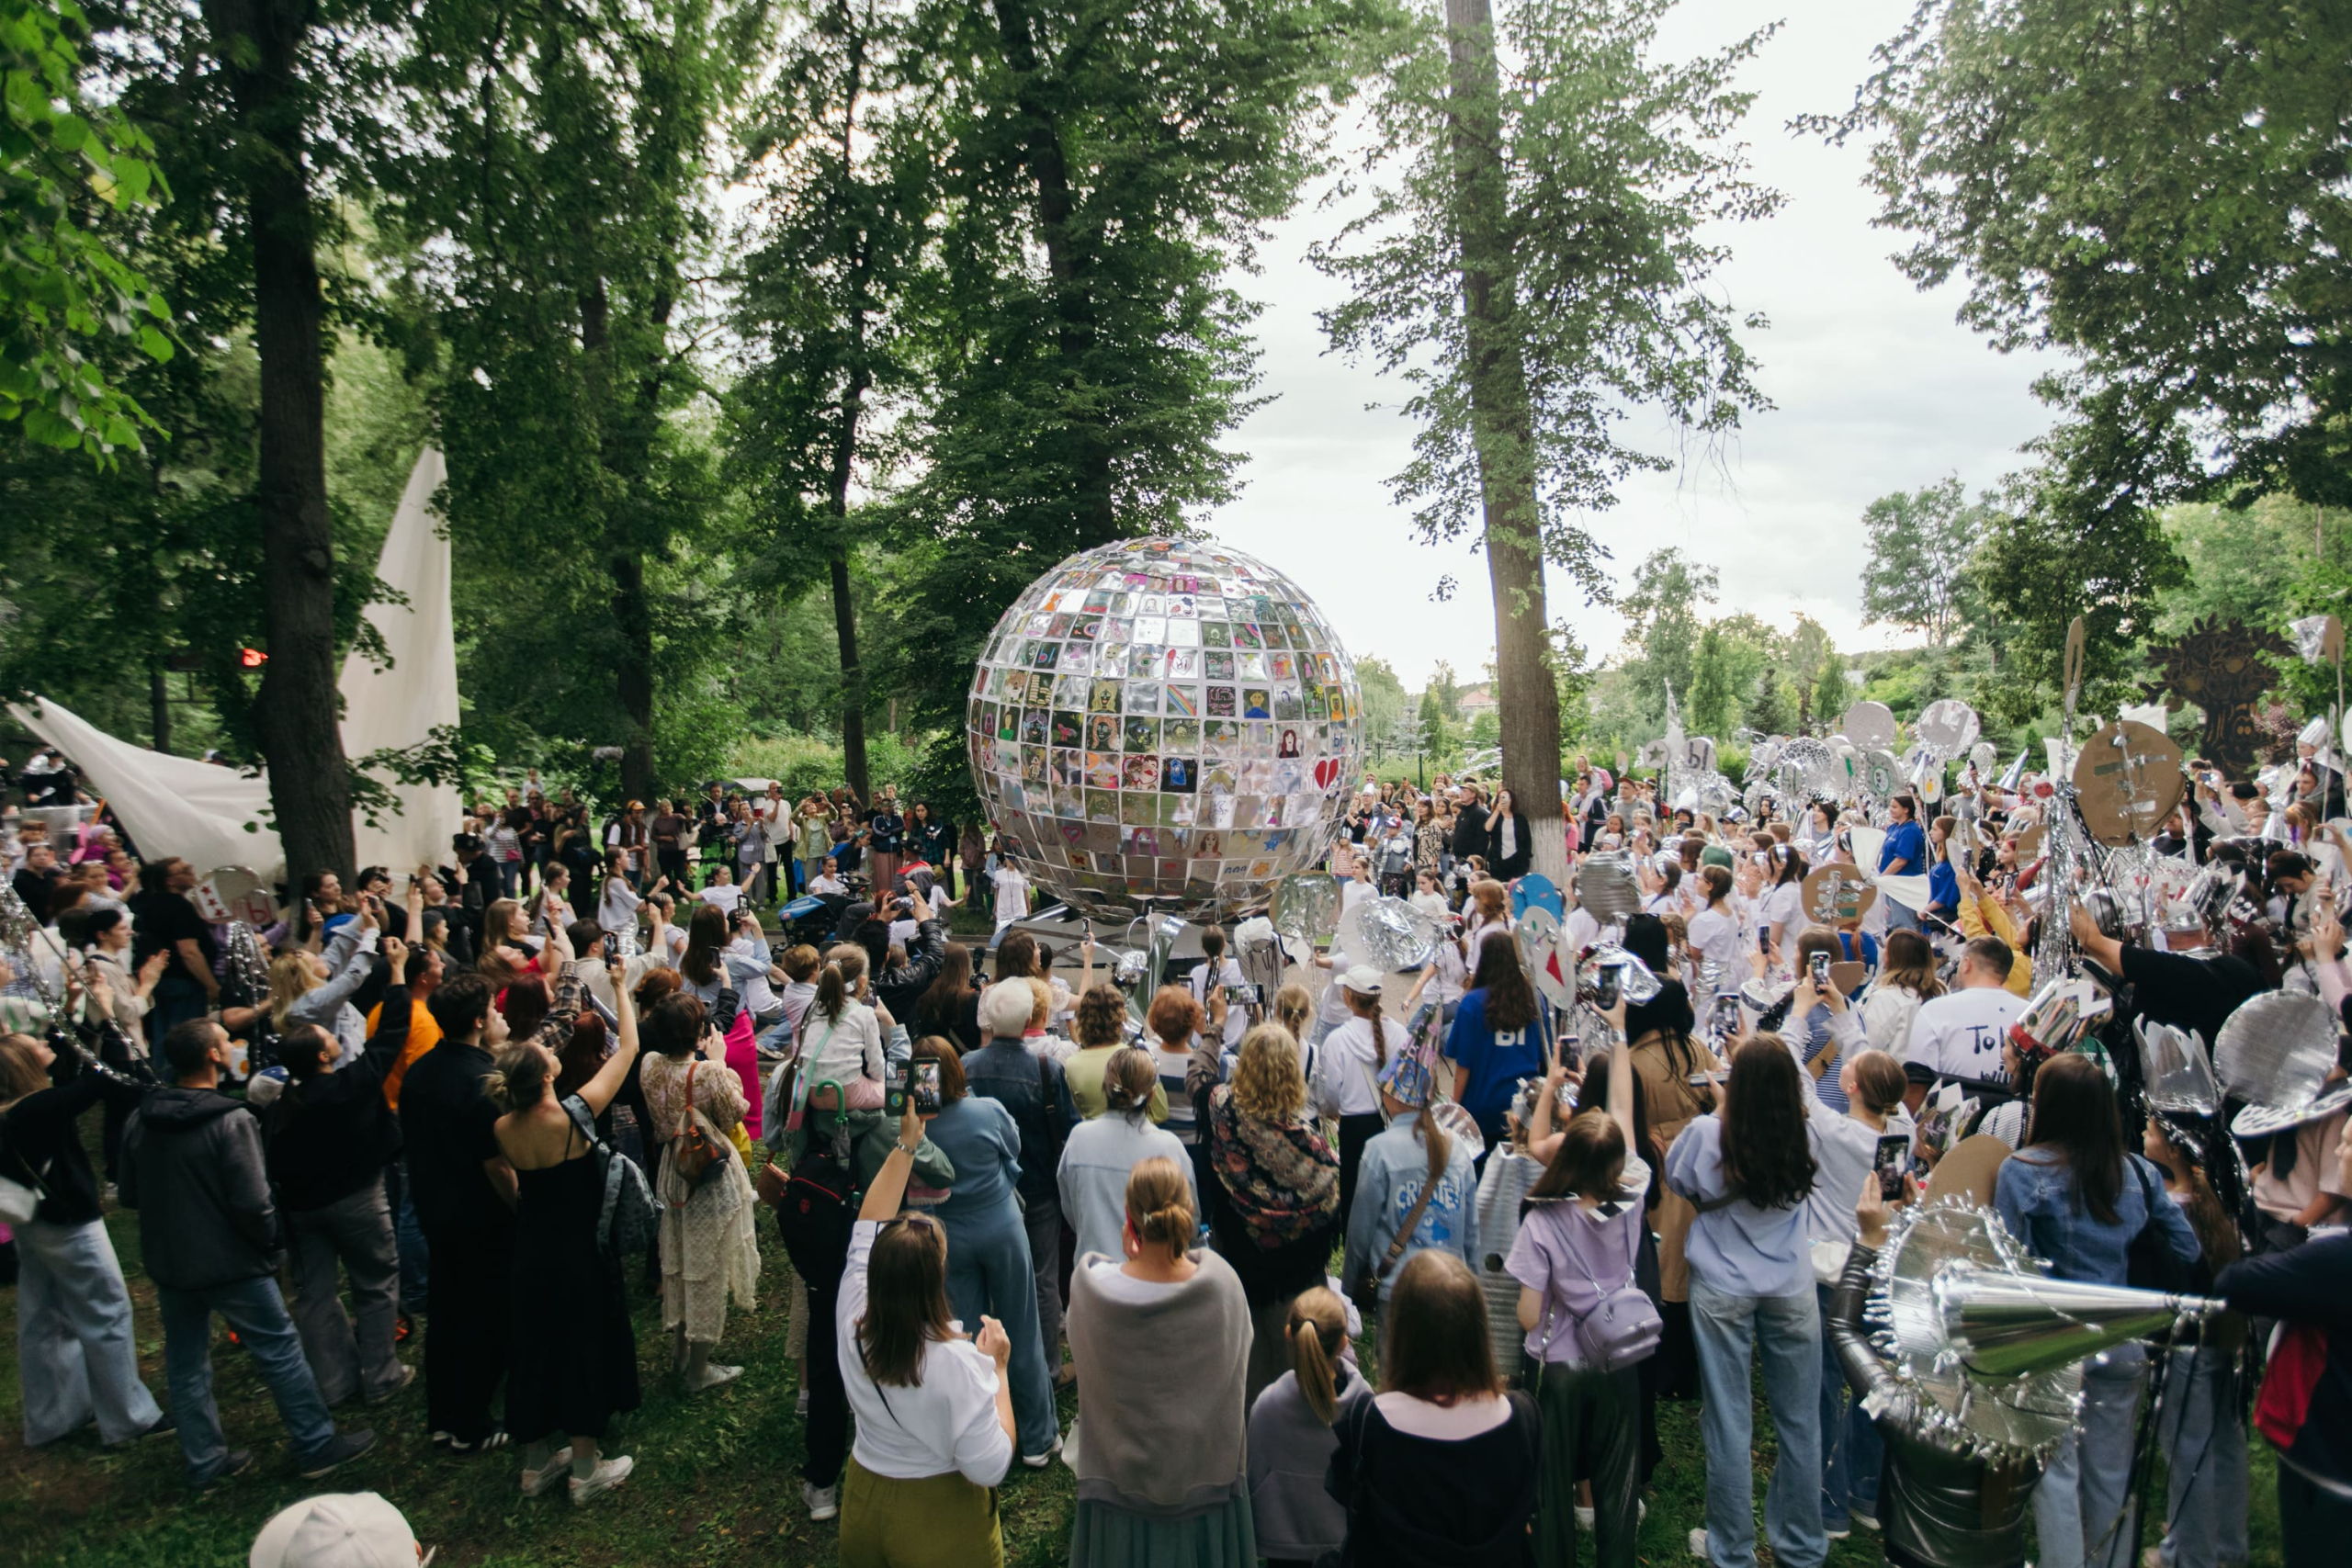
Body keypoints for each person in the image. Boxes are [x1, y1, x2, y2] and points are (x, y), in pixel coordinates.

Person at [121, 1016, 376, 1488]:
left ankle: (205, 1462)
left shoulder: (142, 1117)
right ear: (214, 1057)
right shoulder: (229, 1121)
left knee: (185, 1361)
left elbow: (130, 1194)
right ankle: (316, 1442)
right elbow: (254, 1201)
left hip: (171, 1262)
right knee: (279, 1350)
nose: (232, 1043)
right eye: (225, 1040)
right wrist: (269, 1244)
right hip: (231, 1260)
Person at [1994, 1054, 2200, 1568]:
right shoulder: (2139, 1172)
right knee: (2111, 1475)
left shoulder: (2020, 1171)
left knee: (2056, 1477)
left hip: (2054, 1341)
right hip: (2123, 1337)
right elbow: (2189, 1249)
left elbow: (2005, 1266)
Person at [401, 961, 584, 1454]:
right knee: (484, 1317)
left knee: (446, 1312)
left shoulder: (421, 1071)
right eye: (492, 1008)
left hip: (433, 1208)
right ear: (479, 1021)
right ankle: (470, 1422)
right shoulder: (481, 1081)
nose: (501, 1014)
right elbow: (497, 1165)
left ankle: (443, 1413)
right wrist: (522, 1209)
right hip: (478, 1216)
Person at [1826, 1176, 2048, 1568]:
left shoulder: (1916, 1420)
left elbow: (1844, 1328)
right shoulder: (2042, 1416)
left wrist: (1867, 1242)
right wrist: (1918, 1227)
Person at [1666, 1036, 1827, 1568]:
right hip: (1791, 1284)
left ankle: (1731, 1549)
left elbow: (1677, 1179)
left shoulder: (1708, 1133)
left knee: (1729, 1419)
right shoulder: (1807, 1133)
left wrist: (1718, 1112)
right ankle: (1801, 1546)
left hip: (1722, 1285)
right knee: (1801, 1421)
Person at [486, 954, 641, 1506]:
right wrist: (620, 987)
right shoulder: (574, 1114)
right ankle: (584, 1465)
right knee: (579, 1345)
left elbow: (506, 1179)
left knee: (532, 1345)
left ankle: (534, 1463)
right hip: (577, 1247)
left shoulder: (502, 1126)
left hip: (529, 1246)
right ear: (547, 1075)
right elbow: (627, 1049)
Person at [835, 1097, 1017, 1567]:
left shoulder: (853, 1309)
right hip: (937, 1520)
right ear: (935, 1281)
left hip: (865, 1498)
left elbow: (866, 1227)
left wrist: (906, 1144)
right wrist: (997, 1370)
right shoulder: (957, 1363)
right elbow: (991, 1465)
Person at [1507, 1006, 1647, 1568]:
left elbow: (1526, 1313)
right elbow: (1621, 1113)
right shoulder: (1631, 1192)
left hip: (1562, 1362)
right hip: (1619, 1352)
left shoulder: (1543, 1220)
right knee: (1619, 1475)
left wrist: (1551, 1084)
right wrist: (1616, 1032)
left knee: (1554, 1478)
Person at [1063, 1155, 1254, 1562]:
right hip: (1207, 1493)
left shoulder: (1089, 1291)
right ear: (1188, 1214)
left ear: (1130, 1220)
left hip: (1116, 1496)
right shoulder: (1224, 1287)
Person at [0, 988, 168, 1450]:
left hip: (32, 1221)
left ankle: (53, 1416)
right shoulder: (37, 1110)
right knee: (106, 1311)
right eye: (34, 1046)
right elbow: (102, 1080)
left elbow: (71, 1060)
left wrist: (73, 1011)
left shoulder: (19, 1111)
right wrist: (111, 1019)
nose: (43, 1044)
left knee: (45, 1316)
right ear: (24, 1068)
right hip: (69, 1225)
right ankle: (127, 1417)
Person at [264, 940, 418, 1411]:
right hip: (356, 1198)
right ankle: (381, 1374)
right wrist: (396, 973)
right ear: (325, 1058)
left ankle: (332, 1383)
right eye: (329, 1040)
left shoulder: (279, 1107)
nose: (335, 1039)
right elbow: (390, 1035)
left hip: (302, 1208)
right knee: (374, 1282)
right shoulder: (348, 1089)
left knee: (316, 1295)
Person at [1324, 1248, 1541, 1566]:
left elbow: (1351, 1508)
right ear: (1478, 1330)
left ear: (1403, 1333)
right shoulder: (1522, 1418)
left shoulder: (1369, 1420)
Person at [908, 1034, 1060, 1466]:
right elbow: (1012, 1148)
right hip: (1000, 1225)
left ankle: (984, 1433)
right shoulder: (986, 1112)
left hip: (948, 1233)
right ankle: (1038, 1438)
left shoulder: (916, 1126)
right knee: (1022, 1327)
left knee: (968, 1336)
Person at [2212, 1111, 2352, 1568]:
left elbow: (2235, 1283)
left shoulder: (2336, 1258)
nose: (2338, 1152)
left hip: (2329, 1473)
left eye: (2347, 1145)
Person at [1202, 1022, 1344, 1405]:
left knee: (1247, 1353)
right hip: (1294, 1273)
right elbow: (1330, 1205)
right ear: (1291, 1074)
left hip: (1239, 1259)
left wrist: (1213, 1030)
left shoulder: (1221, 1109)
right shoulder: (1314, 1151)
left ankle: (1251, 1426)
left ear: (1245, 1067)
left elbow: (1199, 1078)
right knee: (1293, 1356)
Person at [2141, 1115, 2249, 1568]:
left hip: (2185, 1343)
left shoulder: (2174, 1210)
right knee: (2224, 1442)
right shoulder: (2215, 1202)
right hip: (2222, 1339)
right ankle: (2227, 1547)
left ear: (2172, 1150)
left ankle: (2190, 1554)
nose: (2143, 1136)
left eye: (2150, 1130)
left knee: (2188, 1450)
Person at [639, 991, 762, 1391]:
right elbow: (735, 1112)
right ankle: (699, 1371)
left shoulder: (650, 1066)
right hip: (708, 1173)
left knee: (681, 1256)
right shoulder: (707, 1073)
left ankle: (680, 1353)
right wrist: (720, 1062)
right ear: (697, 1033)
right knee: (707, 1266)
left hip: (673, 1169)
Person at [961, 978, 1079, 1383]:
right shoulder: (1048, 1069)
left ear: (990, 1019)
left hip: (987, 1191)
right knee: (1043, 1278)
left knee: (988, 1277)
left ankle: (987, 1365)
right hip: (1040, 1188)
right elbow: (1070, 1128)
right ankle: (1047, 1367)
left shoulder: (966, 1067)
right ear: (1030, 1018)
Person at [1343, 1026, 1478, 1309]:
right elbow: (1470, 1232)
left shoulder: (1379, 1150)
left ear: (1393, 1095)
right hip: (1452, 1292)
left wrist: (1349, 1288)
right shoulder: (1459, 1151)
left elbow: (1360, 1230)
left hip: (1397, 1294)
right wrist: (1472, 1284)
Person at [1248, 1286, 1368, 1568]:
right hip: (1348, 1548)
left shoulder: (1267, 1406)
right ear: (1343, 1342)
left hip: (1284, 1548)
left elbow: (1253, 1478)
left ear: (1289, 1334)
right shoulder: (1365, 1409)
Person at [1059, 1045, 1193, 1264]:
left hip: (1094, 1277)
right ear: (1151, 1096)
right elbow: (1189, 1219)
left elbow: (1072, 1211)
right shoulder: (1170, 1148)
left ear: (1106, 1088)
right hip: (1155, 1277)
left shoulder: (1078, 1140)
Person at [1442, 935, 1544, 1153]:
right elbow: (1537, 1061)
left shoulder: (1472, 1003)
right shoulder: (1532, 999)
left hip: (1482, 1106)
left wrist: (1455, 1107)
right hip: (1523, 1105)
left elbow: (1463, 1066)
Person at [1312, 967, 1394, 1223]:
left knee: (1355, 1199)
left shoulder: (1337, 1041)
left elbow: (1330, 1095)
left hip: (1354, 1129)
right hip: (1393, 1123)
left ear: (1348, 997)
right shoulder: (1399, 1033)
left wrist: (1331, 1111)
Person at [1902, 935, 2025, 1089]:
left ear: (1966, 964)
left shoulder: (1935, 1010)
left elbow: (1918, 1081)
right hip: (2016, 1110)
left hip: (1951, 1109)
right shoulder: (2028, 1014)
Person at [130, 856, 219, 1047]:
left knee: (166, 1035)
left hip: (162, 980)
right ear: (170, 881)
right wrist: (212, 986)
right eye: (185, 871)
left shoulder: (151, 905)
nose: (192, 873)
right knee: (186, 1040)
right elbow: (189, 953)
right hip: (183, 982)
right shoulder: (180, 907)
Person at [1062, 979, 1165, 1122]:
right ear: (1121, 1016)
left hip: (1091, 1139)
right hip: (1134, 1134)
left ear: (1083, 1018)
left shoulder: (1071, 1065)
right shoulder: (1137, 1057)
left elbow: (1073, 1113)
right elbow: (1161, 1112)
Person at [1877, 796, 1927, 931]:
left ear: (1906, 810)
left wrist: (1882, 878)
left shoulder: (1910, 830)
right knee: (1891, 923)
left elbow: (1901, 860)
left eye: (1895, 807)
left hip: (1903, 882)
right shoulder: (1893, 827)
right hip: (1890, 883)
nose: (1891, 810)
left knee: (1904, 923)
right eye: (1890, 806)